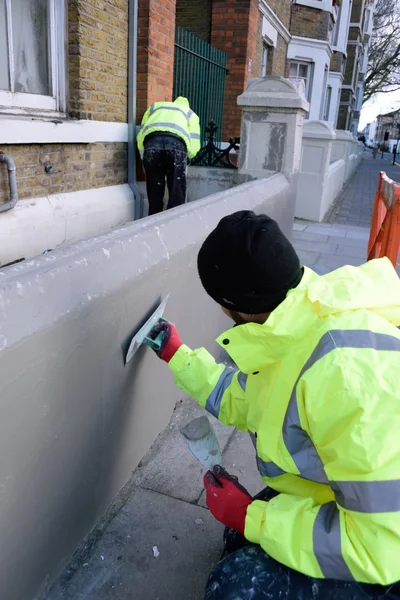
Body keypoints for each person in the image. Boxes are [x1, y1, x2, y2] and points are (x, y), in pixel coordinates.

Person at [149, 211, 400, 599]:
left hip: (387, 558)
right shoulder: (299, 323)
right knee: (240, 539)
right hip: (347, 500)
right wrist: (178, 355)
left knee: (233, 586)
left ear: (237, 307)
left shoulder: (344, 379)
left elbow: (378, 546)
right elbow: (250, 399)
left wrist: (253, 518)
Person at [137, 97, 201, 215]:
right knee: (177, 190)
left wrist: (143, 156)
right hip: (177, 146)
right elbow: (195, 140)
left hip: (152, 143)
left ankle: (153, 221)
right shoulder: (190, 113)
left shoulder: (155, 107)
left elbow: (141, 134)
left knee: (154, 190)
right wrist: (188, 157)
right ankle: (173, 223)